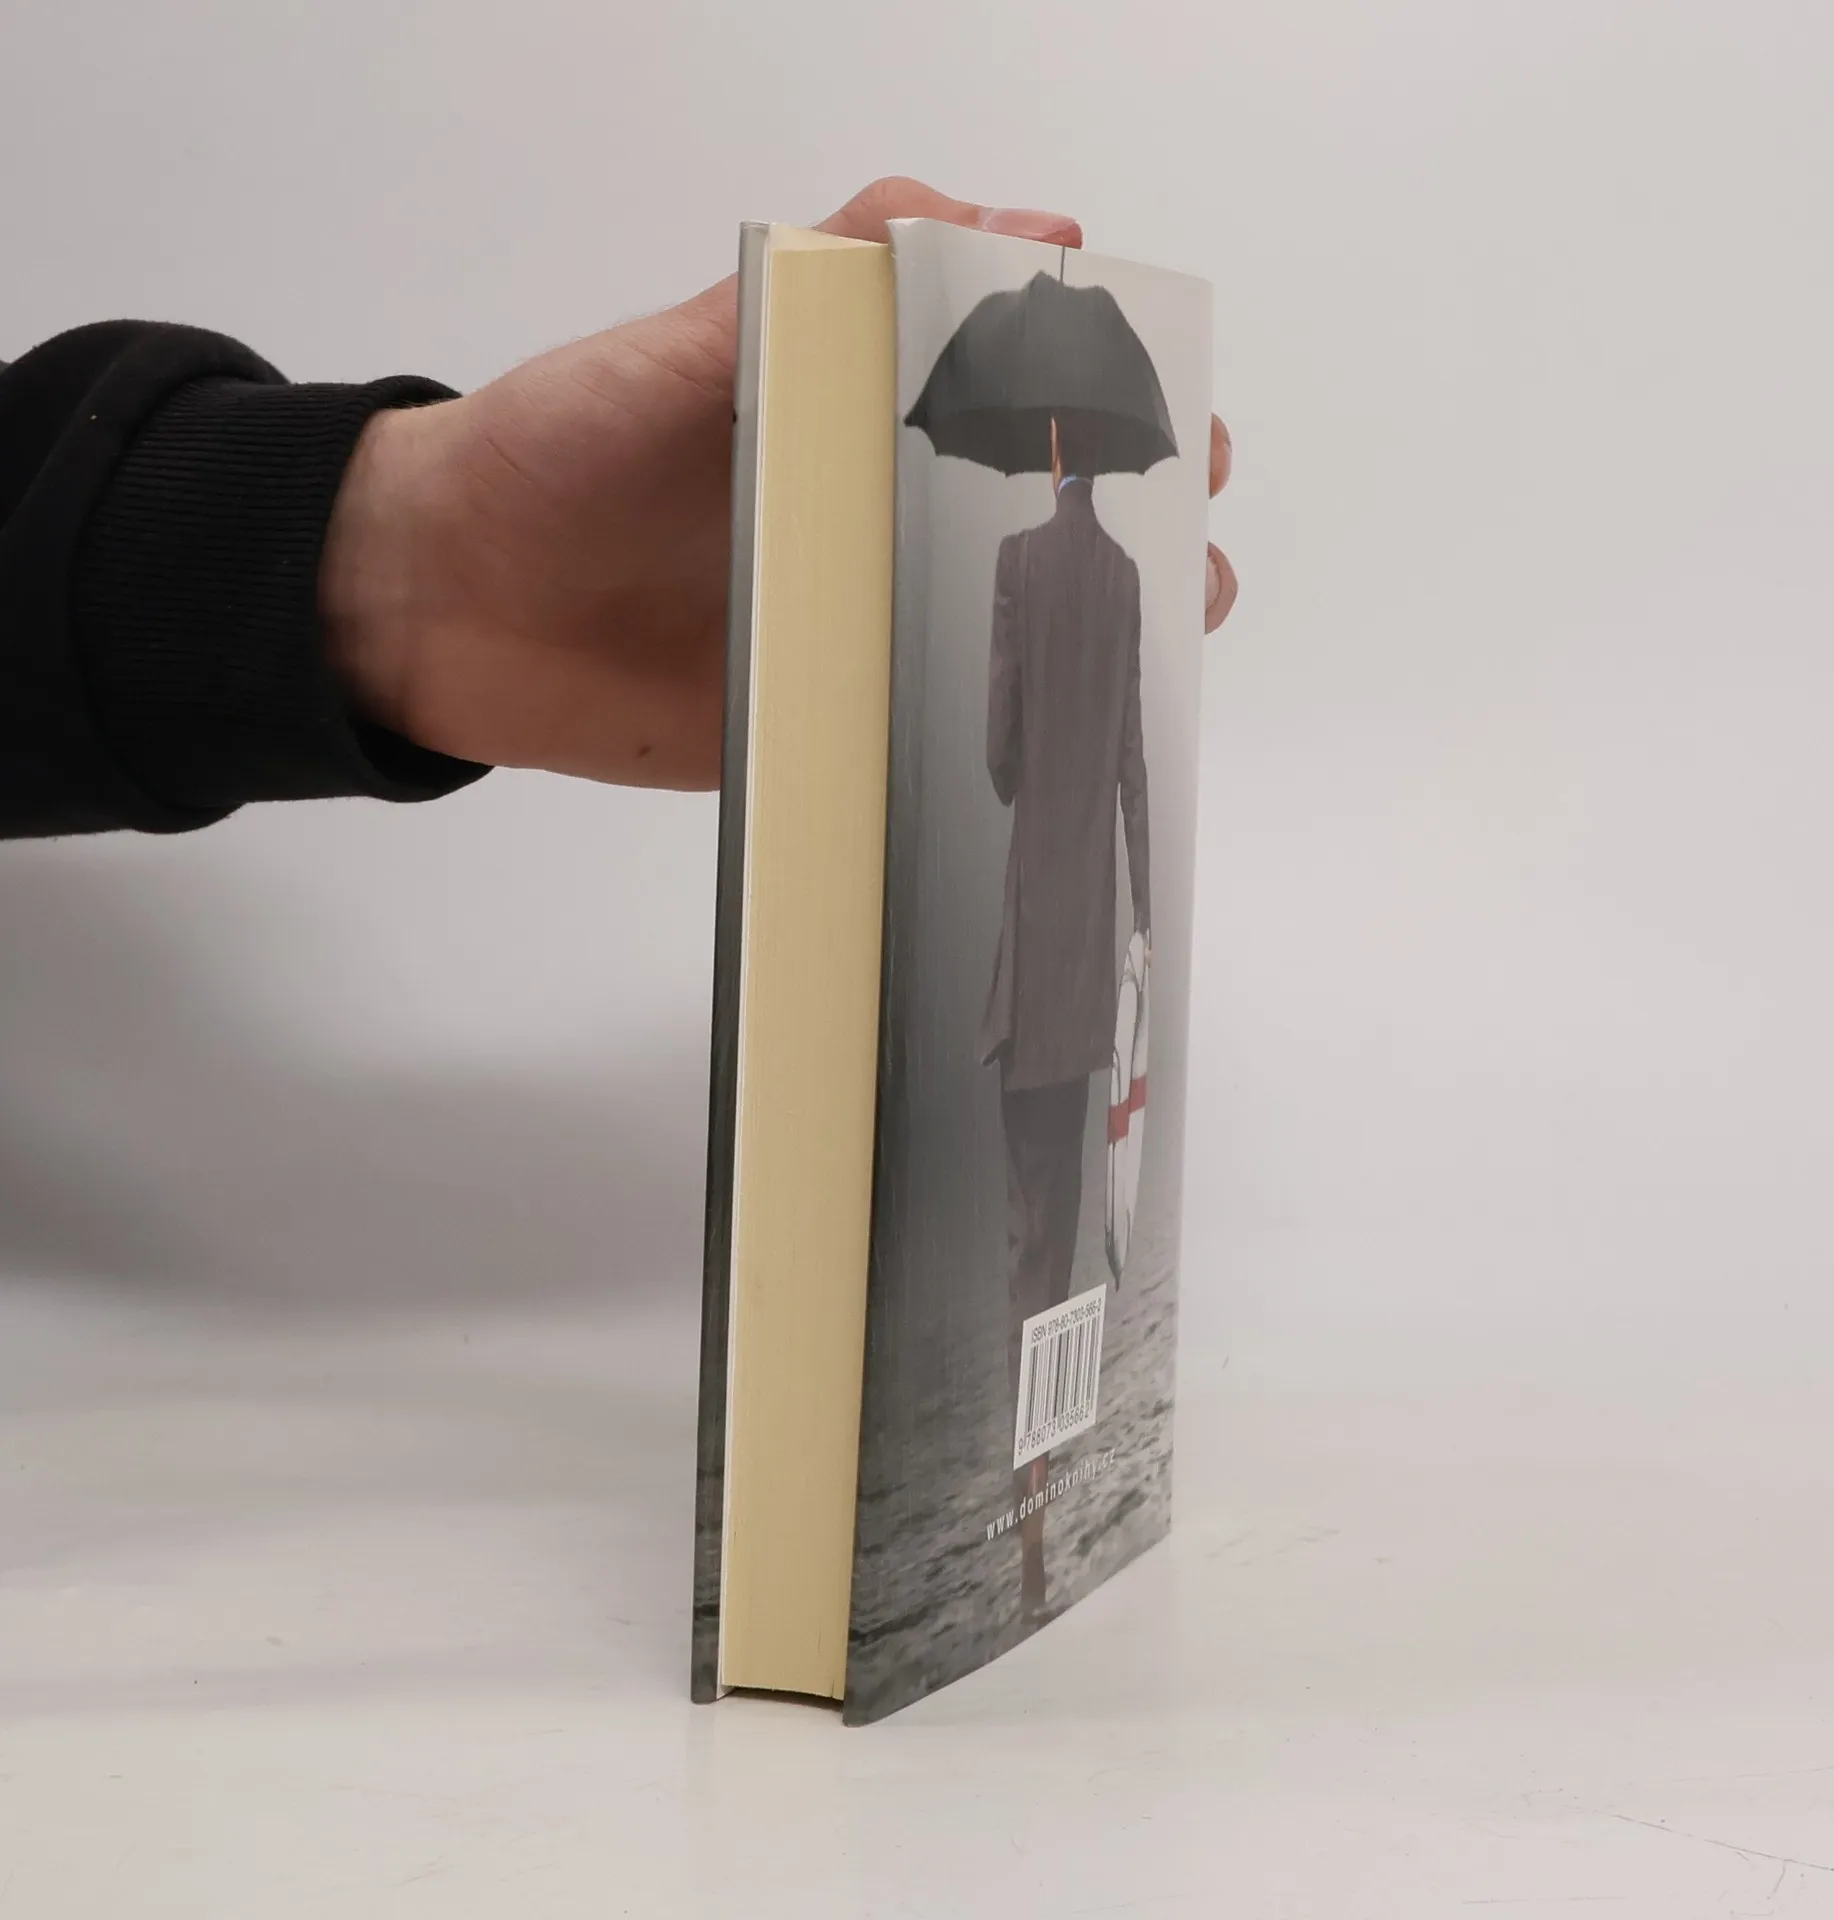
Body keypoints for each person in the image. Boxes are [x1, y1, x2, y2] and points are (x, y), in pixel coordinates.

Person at [0, 178, 1237, 842]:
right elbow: (1070, 757)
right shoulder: (1088, 567)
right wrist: (414, 555)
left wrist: (412, 549)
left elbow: (1027, 753)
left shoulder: (1033, 566)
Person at [983, 412, 1158, 1618]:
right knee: (1069, 1226)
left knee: (1030, 1238)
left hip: (1031, 947)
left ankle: (1030, 1524)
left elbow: (999, 758)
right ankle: (1049, 1497)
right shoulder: (1128, 576)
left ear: (1050, 445)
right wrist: (1145, 923)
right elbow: (1134, 769)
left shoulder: (1018, 562)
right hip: (1095, 955)